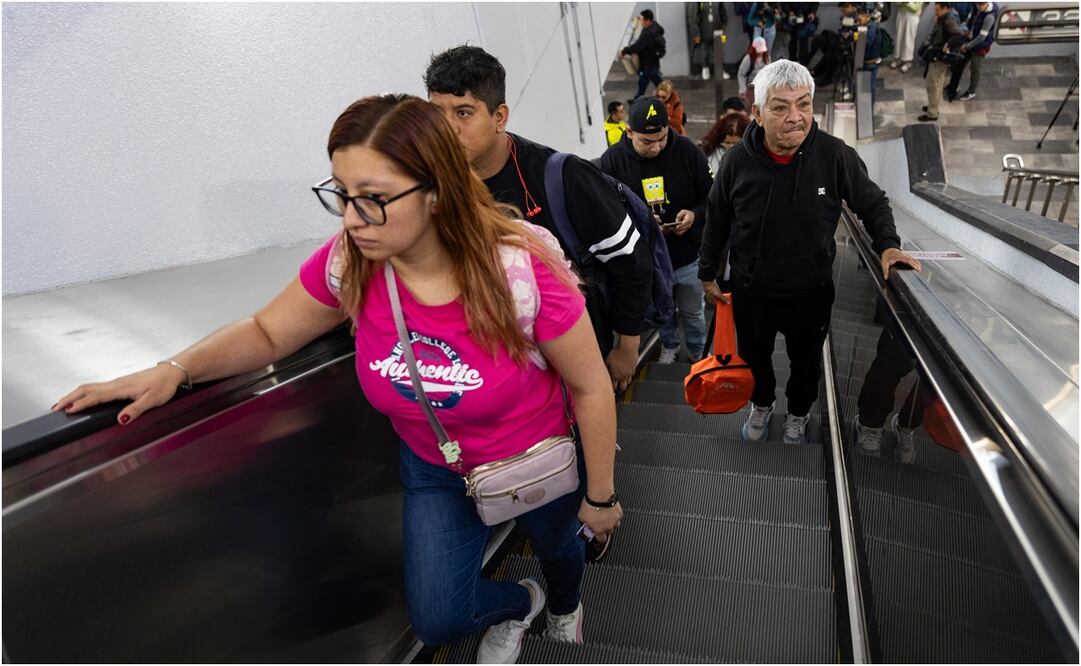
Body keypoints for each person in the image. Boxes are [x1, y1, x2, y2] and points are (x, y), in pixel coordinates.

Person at [53, 94, 623, 663]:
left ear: (437, 191)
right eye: (342, 195)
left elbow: (590, 386)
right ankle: (520, 602)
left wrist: (600, 496)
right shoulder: (352, 262)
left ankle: (564, 605)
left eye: (373, 199)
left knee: (556, 545)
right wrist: (173, 370)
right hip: (435, 467)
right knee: (439, 616)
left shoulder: (519, 273)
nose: (352, 218)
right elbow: (269, 332)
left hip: (533, 456)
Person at [698, 60, 922, 445]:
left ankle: (798, 416)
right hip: (752, 291)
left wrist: (888, 246)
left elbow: (874, 204)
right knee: (756, 359)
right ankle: (762, 405)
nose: (795, 117)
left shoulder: (834, 156)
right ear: (757, 113)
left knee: (806, 365)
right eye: (780, 107)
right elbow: (717, 219)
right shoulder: (736, 163)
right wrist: (708, 272)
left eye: (803, 104)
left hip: (810, 292)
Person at [424, 45, 653, 402]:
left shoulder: (563, 177)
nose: (447, 128)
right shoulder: (431, 187)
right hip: (489, 371)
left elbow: (630, 260)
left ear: (499, 117)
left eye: (463, 112)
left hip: (571, 361)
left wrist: (626, 346)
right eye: (437, 113)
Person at [601, 98, 712, 365]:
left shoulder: (687, 151)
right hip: (647, 260)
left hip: (687, 256)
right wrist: (641, 223)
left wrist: (695, 215)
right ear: (629, 132)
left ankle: (698, 351)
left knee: (693, 311)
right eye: (647, 142)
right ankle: (669, 345)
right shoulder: (612, 162)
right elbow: (605, 211)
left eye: (661, 138)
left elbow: (713, 198)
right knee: (662, 310)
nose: (657, 147)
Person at [918, 3, 964, 122]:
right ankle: (933, 107)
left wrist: (947, 45)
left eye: (938, 10)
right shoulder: (948, 16)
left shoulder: (948, 20)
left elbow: (959, 35)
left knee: (933, 85)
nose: (935, 12)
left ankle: (932, 113)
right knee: (938, 82)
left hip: (939, 58)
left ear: (945, 8)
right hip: (940, 57)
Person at [944, 2, 998, 101]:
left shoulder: (989, 16)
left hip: (981, 46)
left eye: (980, 5)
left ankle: (971, 92)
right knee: (959, 64)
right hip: (970, 39)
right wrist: (966, 30)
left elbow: (982, 37)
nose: (978, 6)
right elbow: (971, 20)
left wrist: (967, 46)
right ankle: (952, 86)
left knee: (975, 69)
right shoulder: (976, 7)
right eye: (977, 4)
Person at [622, 9, 666, 101]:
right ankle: (668, 94)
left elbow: (637, 46)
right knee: (656, 80)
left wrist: (625, 51)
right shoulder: (655, 27)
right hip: (653, 60)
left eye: (642, 20)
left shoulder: (647, 33)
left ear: (648, 20)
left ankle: (637, 100)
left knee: (643, 82)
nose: (640, 22)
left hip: (647, 62)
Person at [701, 111, 751, 176]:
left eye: (735, 143)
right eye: (727, 143)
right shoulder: (710, 153)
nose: (731, 147)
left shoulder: (752, 156)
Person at [686, 2, 727, 81]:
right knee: (705, 50)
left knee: (718, 51)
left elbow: (722, 11)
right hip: (704, 29)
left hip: (717, 28)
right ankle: (705, 69)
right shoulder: (699, 2)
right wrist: (696, 33)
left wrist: (724, 22)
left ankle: (720, 70)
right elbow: (695, 17)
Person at [738, 36, 771, 111]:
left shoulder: (767, 57)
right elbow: (741, 74)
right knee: (750, 109)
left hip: (762, 89)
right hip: (750, 88)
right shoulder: (748, 59)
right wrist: (743, 90)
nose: (761, 52)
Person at [890, 2, 924, 73]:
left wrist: (907, 2)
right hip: (901, 12)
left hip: (913, 15)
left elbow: (916, 8)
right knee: (898, 37)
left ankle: (908, 62)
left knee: (909, 39)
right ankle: (898, 58)